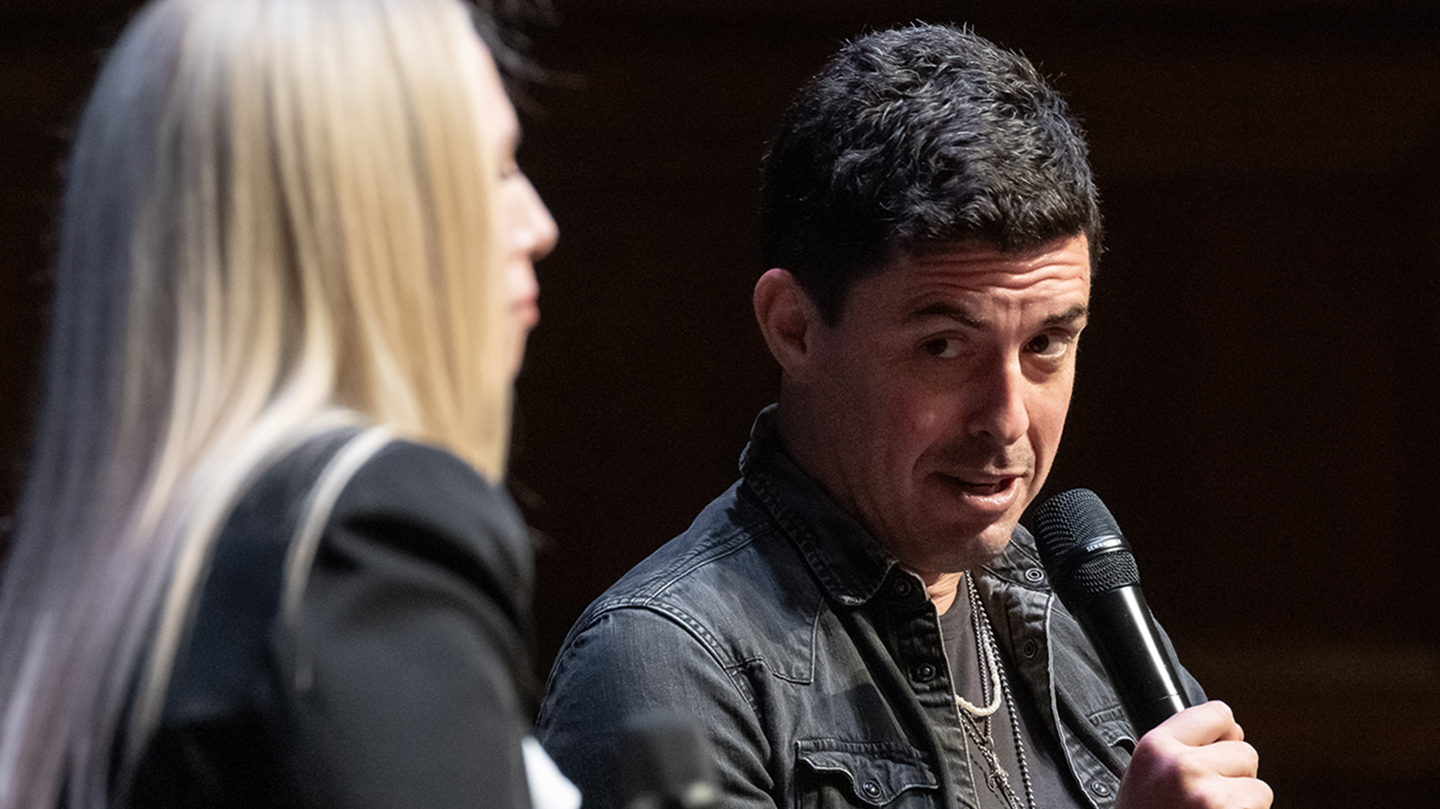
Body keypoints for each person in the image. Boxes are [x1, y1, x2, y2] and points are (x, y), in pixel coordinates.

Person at [537, 23, 1272, 809]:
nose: (1008, 419)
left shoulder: (1085, 622)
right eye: (944, 347)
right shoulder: (667, 663)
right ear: (794, 326)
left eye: (1048, 343)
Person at [0, 0, 565, 807]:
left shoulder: (100, 602)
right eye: (496, 171)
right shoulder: (364, 537)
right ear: (365, 213)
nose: (537, 224)